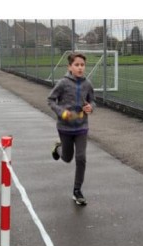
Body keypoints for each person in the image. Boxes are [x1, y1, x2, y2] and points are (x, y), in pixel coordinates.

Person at [47, 52, 96, 207]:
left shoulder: (87, 84)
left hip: (82, 127)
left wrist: (90, 107)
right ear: (70, 67)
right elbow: (50, 100)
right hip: (65, 128)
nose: (80, 68)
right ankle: (58, 148)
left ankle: (77, 191)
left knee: (81, 158)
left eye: (82, 65)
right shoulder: (63, 83)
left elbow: (93, 101)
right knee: (67, 158)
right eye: (77, 65)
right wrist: (61, 112)